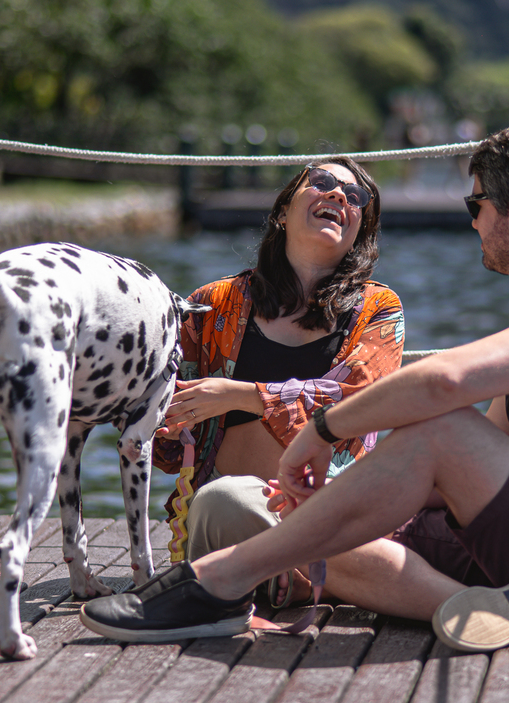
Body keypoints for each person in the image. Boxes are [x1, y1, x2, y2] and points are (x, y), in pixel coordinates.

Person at [80, 117, 509, 652]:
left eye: (476, 206)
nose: (473, 223)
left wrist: (322, 431)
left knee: (441, 426)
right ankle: (474, 604)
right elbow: (496, 447)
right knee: (231, 504)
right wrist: (350, 506)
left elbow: (446, 384)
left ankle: (216, 583)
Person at [150, 157, 405, 603]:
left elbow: (358, 404)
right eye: (321, 182)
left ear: (359, 234)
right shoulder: (213, 304)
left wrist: (243, 396)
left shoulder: (379, 309)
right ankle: (297, 578)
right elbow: (164, 439)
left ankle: (294, 573)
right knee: (223, 500)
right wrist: (165, 419)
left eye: (356, 197)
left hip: (324, 510)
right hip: (229, 514)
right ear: (283, 211)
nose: (339, 194)